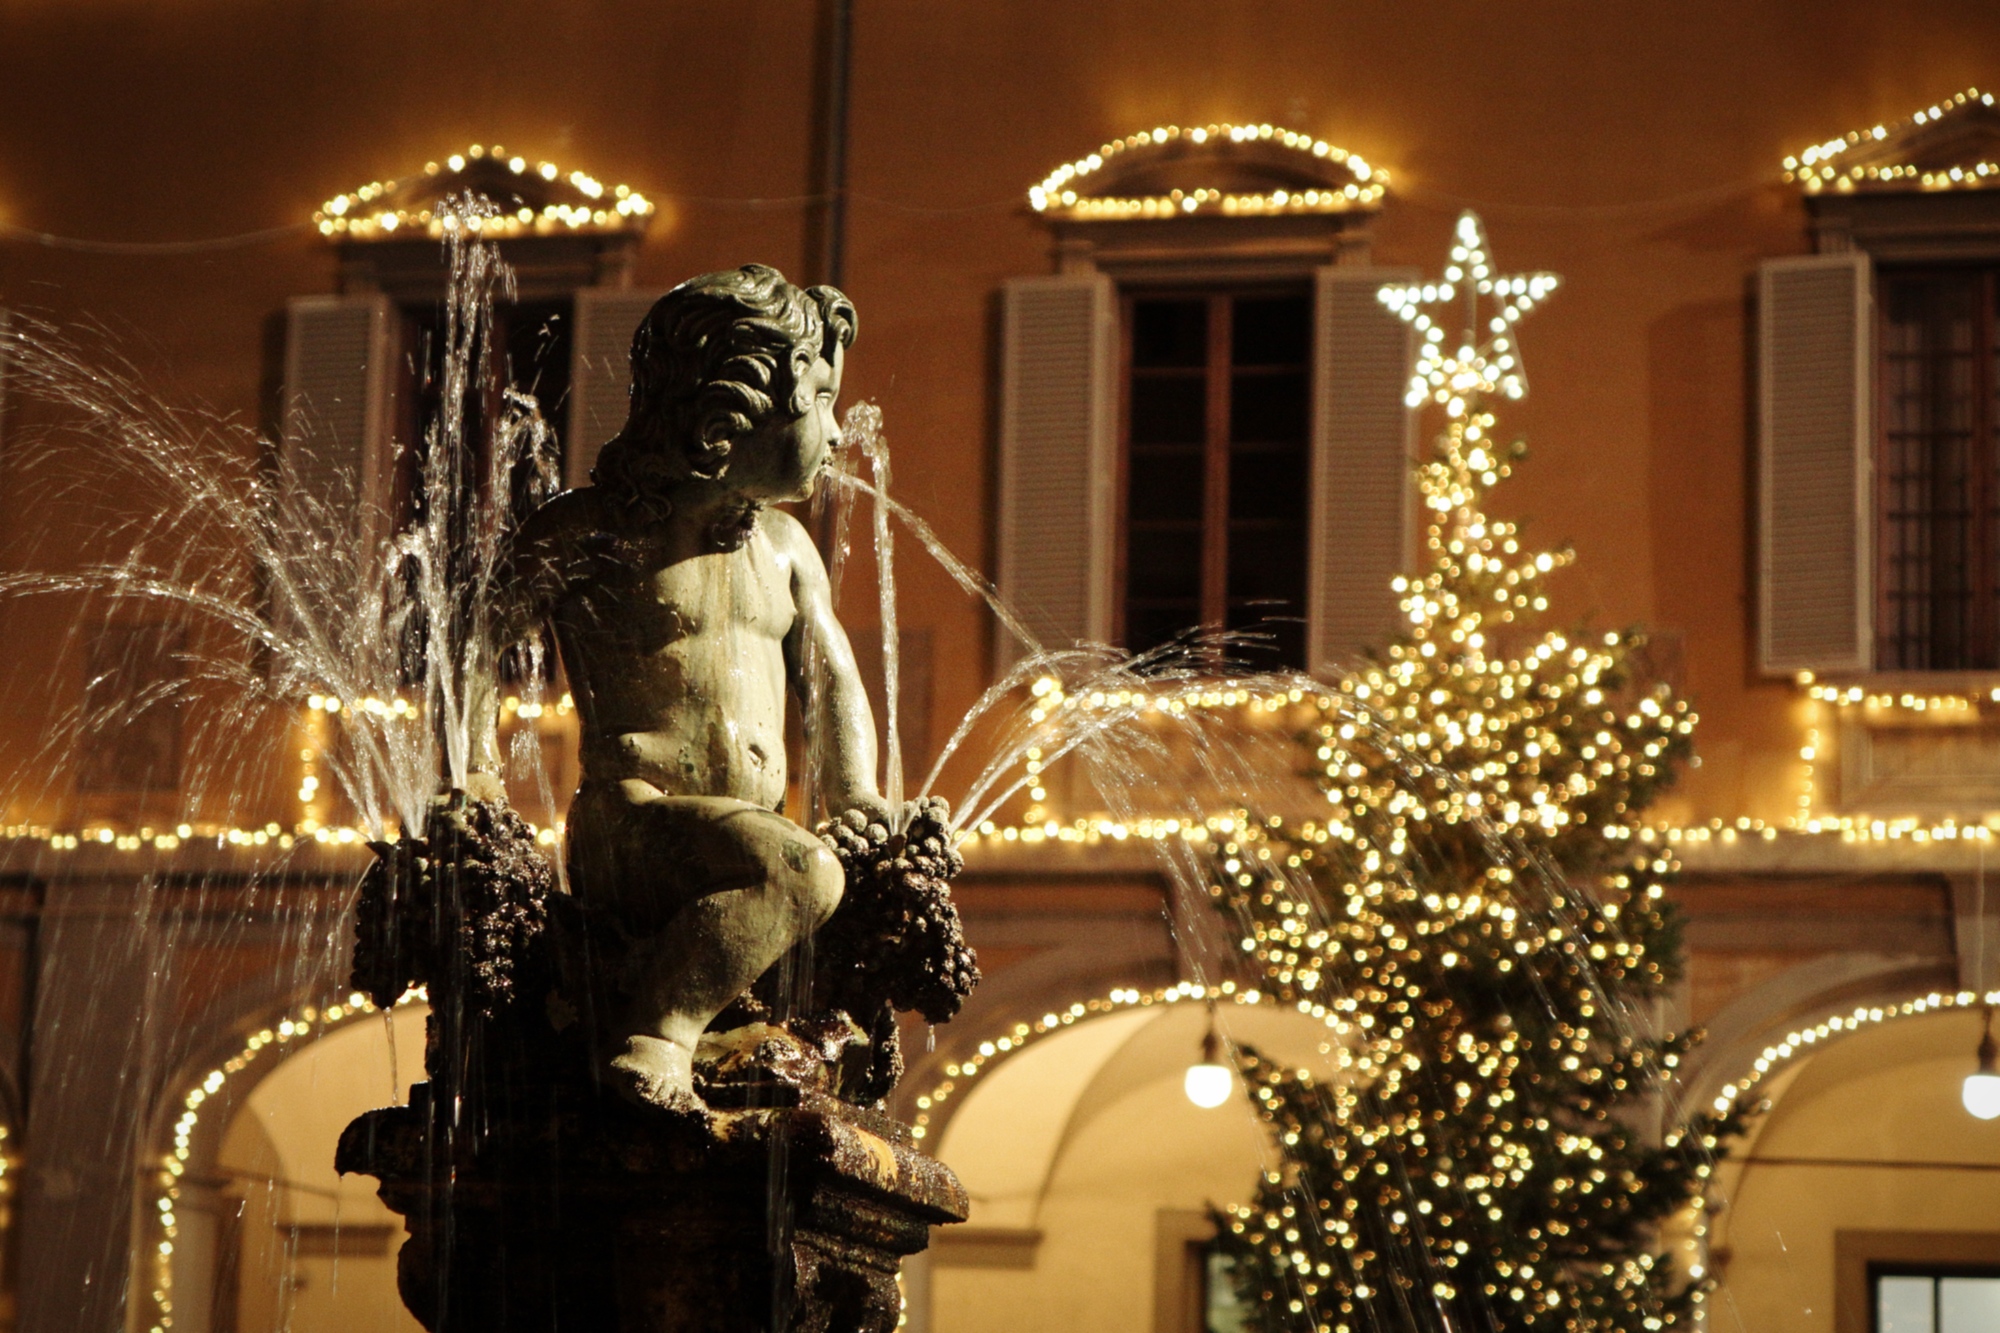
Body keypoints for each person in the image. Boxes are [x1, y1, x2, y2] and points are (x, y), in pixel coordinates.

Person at [470, 264, 889, 1120]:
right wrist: (475, 776)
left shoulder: (784, 548)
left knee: (806, 866)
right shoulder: (590, 533)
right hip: (633, 826)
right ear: (728, 414)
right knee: (805, 872)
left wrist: (855, 793)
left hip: (743, 839)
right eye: (820, 401)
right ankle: (657, 1036)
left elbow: (832, 676)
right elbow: (477, 646)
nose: (840, 431)